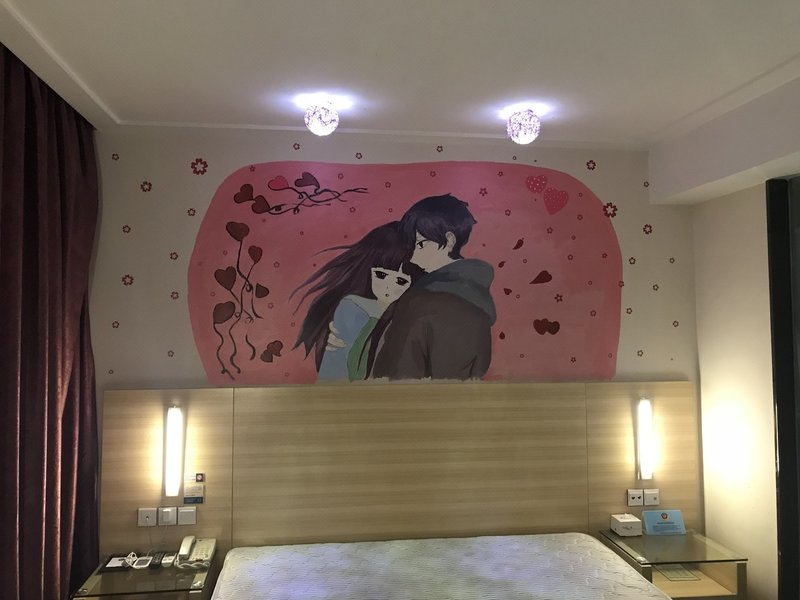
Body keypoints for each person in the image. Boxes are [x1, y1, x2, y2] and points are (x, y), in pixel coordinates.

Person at [370, 193, 496, 379]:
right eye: (411, 246)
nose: (413, 256)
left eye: (420, 244)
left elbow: (398, 373)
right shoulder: (479, 306)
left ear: (450, 241)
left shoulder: (421, 301)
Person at [292, 222, 419, 381]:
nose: (389, 287)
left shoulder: (409, 313)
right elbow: (342, 369)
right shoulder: (354, 307)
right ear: (367, 270)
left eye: (401, 281)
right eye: (381, 275)